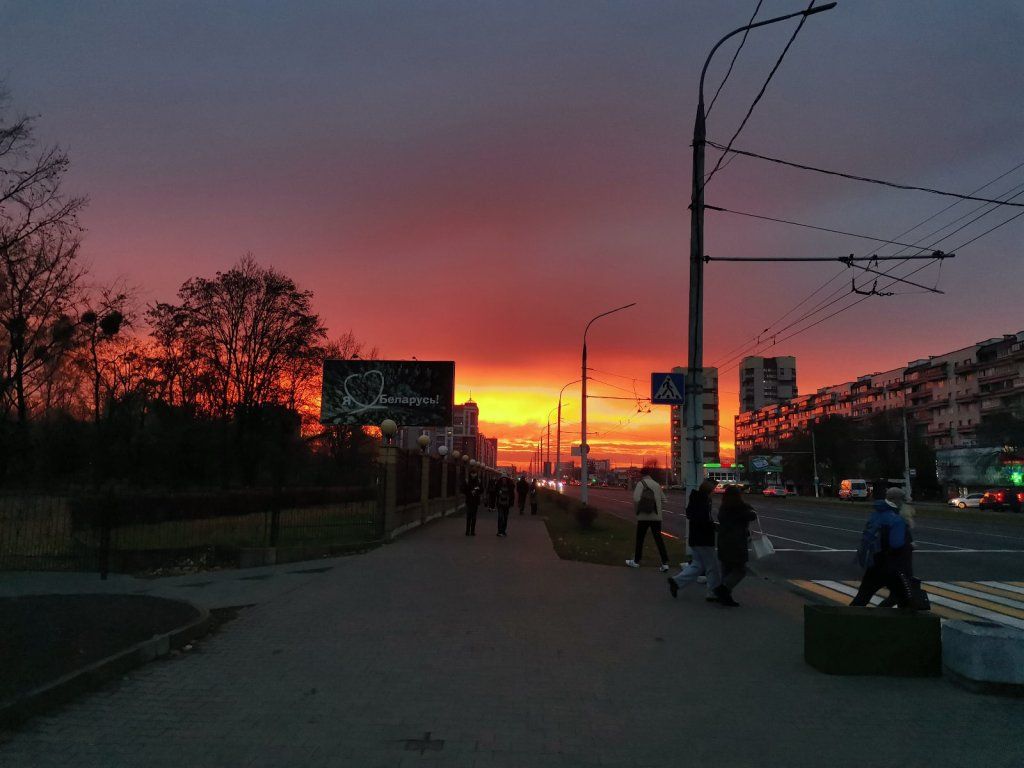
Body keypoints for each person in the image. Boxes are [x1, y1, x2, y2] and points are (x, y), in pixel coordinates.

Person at [851, 487, 912, 608]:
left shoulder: (877, 514)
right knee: (905, 599)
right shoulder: (896, 520)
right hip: (892, 567)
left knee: (862, 598)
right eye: (902, 501)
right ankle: (892, 622)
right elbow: (896, 544)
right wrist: (909, 544)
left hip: (874, 563)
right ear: (897, 501)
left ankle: (844, 620)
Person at [668, 479, 721, 601]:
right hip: (704, 539)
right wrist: (716, 527)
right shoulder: (703, 502)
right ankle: (712, 592)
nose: (715, 492)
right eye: (714, 489)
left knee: (698, 565)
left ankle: (676, 582)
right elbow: (705, 522)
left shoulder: (696, 500)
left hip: (695, 538)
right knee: (712, 566)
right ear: (709, 490)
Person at [713, 485, 757, 607]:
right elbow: (753, 515)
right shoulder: (740, 508)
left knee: (726, 569)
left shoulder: (724, 507)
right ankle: (723, 589)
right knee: (740, 570)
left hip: (723, 541)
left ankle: (725, 597)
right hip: (736, 542)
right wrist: (747, 505)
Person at [625, 468, 670, 571]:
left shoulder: (641, 484)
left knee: (640, 538)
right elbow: (664, 500)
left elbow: (636, 498)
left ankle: (636, 561)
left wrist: (642, 505)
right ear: (650, 474)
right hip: (656, 517)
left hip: (643, 516)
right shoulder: (656, 484)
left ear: (641, 474)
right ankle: (665, 563)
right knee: (658, 539)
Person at [462, 469, 483, 536]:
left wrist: (477, 490)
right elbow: (463, 489)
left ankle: (472, 531)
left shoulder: (479, 481)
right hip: (469, 500)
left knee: (474, 516)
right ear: (470, 474)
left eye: (474, 473)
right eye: (472, 473)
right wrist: (470, 492)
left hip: (476, 501)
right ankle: (467, 531)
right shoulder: (467, 481)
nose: (473, 475)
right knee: (469, 516)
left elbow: (482, 489)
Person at [495, 472, 515, 536]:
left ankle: (503, 531)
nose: (504, 480)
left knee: (505, 518)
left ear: (507, 479)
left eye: (505, 478)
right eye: (503, 479)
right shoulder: (498, 486)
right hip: (500, 504)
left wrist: (511, 503)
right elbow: (495, 494)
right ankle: (499, 531)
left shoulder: (510, 487)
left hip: (507, 504)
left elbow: (512, 495)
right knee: (500, 517)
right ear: (501, 479)